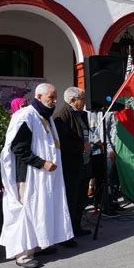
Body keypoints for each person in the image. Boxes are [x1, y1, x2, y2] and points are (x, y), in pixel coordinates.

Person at [0, 83, 73, 268]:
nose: (55, 101)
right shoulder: (25, 116)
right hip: (29, 176)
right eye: (51, 97)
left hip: (46, 176)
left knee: (43, 210)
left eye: (56, 97)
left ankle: (40, 244)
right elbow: (18, 149)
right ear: (39, 97)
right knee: (28, 213)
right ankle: (23, 255)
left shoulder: (45, 116)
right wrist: (42, 163)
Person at [54, 87, 92, 241]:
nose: (85, 101)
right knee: (71, 200)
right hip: (71, 165)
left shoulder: (82, 114)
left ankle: (76, 227)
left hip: (83, 163)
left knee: (81, 198)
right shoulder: (62, 116)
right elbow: (61, 143)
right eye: (82, 98)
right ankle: (66, 235)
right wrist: (80, 147)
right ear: (73, 100)